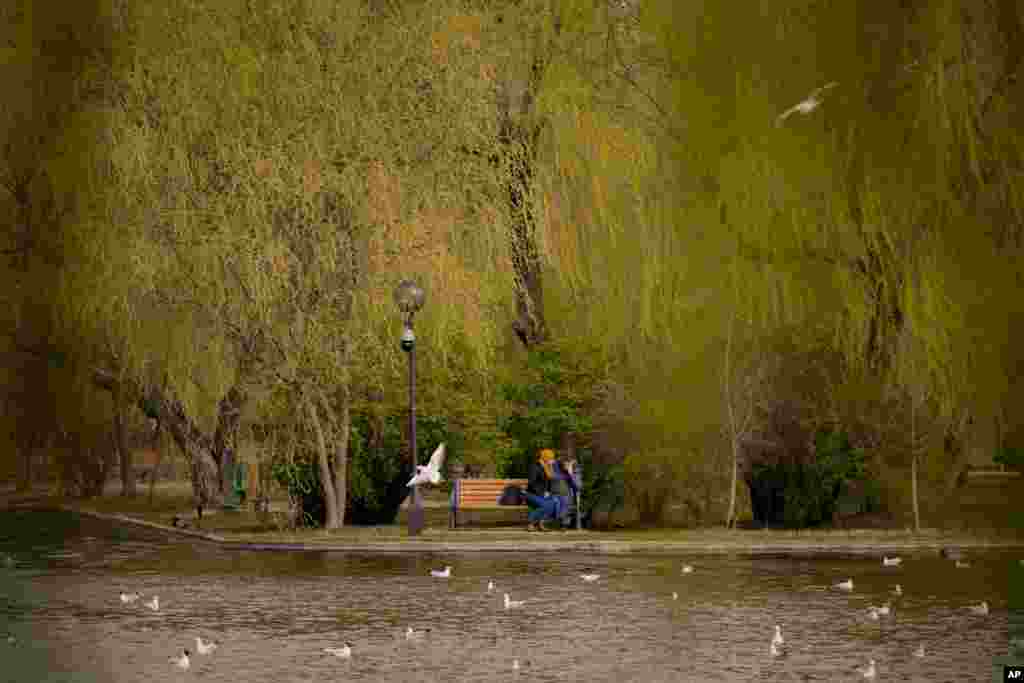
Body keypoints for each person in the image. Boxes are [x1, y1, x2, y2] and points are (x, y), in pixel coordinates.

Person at [522, 449, 559, 531]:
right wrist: (542, 493)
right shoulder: (535, 466)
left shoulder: (548, 468)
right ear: (545, 458)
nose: (552, 461)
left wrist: (549, 492)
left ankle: (540, 523)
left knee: (553, 503)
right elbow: (531, 483)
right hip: (531, 494)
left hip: (543, 494)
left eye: (552, 459)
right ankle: (530, 523)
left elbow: (550, 482)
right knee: (545, 505)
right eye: (551, 458)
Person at [549, 454, 578, 529]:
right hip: (555, 493)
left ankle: (563, 523)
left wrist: (570, 473)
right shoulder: (554, 468)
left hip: (565, 493)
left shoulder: (570, 472)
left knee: (565, 502)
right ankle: (561, 521)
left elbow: (576, 486)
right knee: (557, 503)